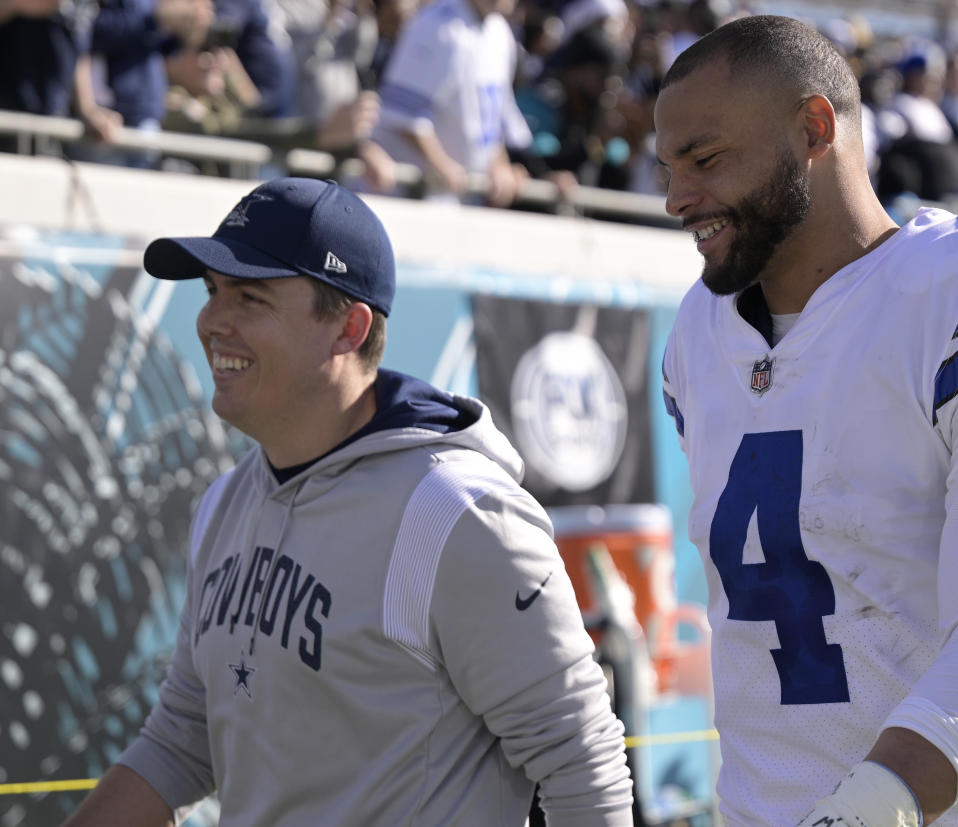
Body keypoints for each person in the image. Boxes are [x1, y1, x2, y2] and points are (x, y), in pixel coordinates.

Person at [61, 177, 634, 826]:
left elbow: (583, 767)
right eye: (212, 290)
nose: (212, 320)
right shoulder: (226, 500)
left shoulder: (456, 511)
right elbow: (180, 740)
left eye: (250, 297)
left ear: (347, 326)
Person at [654, 16, 958, 827]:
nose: (676, 196)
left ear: (814, 129)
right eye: (668, 166)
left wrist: (860, 815)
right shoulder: (698, 334)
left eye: (705, 159)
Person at [372, 0, 531, 205]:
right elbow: (402, 114)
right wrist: (444, 166)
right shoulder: (437, 23)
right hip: (412, 194)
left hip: (463, 196)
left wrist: (498, 164)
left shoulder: (501, 32)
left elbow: (492, 118)